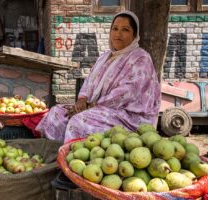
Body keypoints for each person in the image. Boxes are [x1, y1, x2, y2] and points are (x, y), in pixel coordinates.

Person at [36, 11, 161, 143]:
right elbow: (89, 80)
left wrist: (92, 106)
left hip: (128, 115)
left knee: (79, 121)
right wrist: (82, 100)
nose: (118, 34)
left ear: (135, 35)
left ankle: (76, 158)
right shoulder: (104, 57)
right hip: (96, 107)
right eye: (115, 29)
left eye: (125, 30)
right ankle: (57, 151)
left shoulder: (140, 58)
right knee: (57, 113)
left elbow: (127, 93)